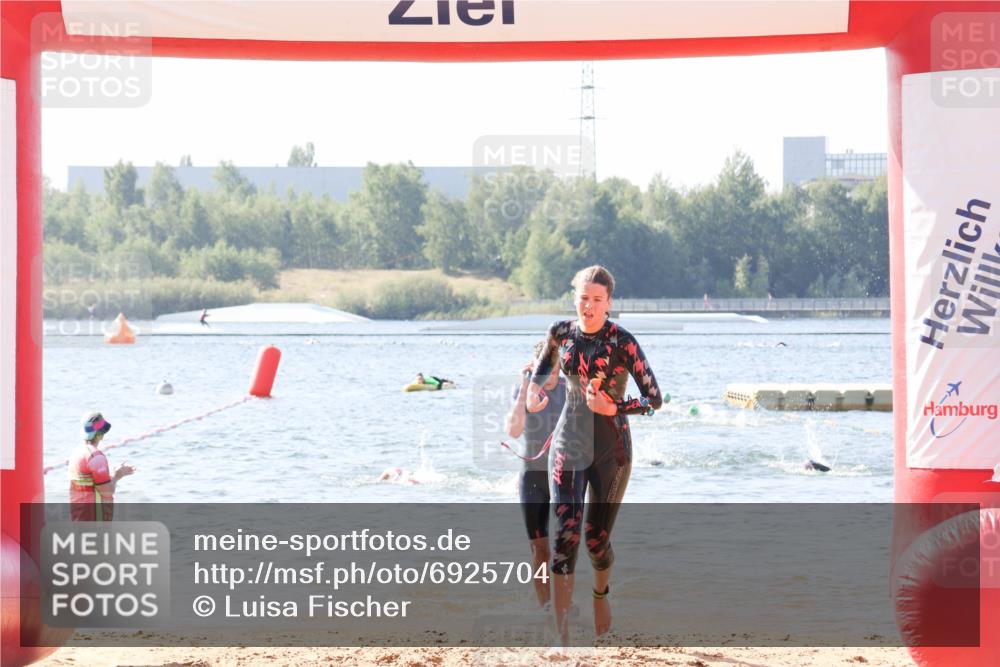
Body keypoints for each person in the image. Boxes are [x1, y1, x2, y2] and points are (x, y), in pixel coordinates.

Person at [526, 265, 662, 645]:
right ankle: (562, 635)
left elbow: (655, 400)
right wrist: (533, 397)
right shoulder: (560, 333)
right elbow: (540, 373)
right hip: (568, 443)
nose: (588, 306)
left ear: (609, 303)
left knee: (595, 540)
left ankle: (601, 594)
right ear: (575, 298)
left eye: (597, 300)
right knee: (564, 536)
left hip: (612, 451)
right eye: (583, 298)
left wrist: (613, 408)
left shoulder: (624, 342)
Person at [505, 341, 567, 608]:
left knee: (565, 547)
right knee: (540, 550)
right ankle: (546, 608)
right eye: (543, 368)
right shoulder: (524, 391)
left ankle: (565, 603)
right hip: (532, 479)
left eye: (553, 367)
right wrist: (524, 388)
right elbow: (513, 431)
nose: (549, 373)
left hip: (565, 479)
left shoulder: (570, 389)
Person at [68, 412, 135, 521]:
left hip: (78, 518)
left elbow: (90, 484)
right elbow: (107, 491)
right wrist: (117, 475)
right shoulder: (96, 457)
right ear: (100, 435)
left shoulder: (77, 452)